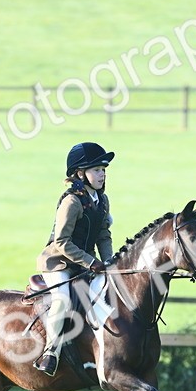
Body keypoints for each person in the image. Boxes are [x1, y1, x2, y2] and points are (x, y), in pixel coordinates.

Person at [34, 141, 114, 376]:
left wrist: (109, 263)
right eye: (96, 170)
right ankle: (50, 352)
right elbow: (62, 242)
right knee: (63, 300)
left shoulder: (102, 200)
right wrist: (91, 262)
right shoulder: (72, 201)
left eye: (103, 170)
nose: (102, 174)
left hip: (83, 264)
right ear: (81, 174)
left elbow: (103, 235)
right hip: (58, 262)